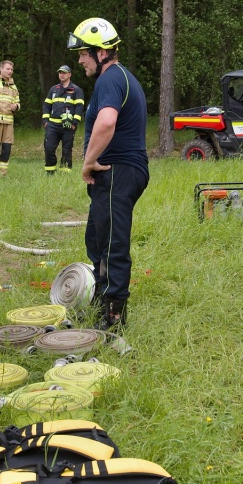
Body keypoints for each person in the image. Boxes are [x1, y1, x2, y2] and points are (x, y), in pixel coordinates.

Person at [69, 17, 149, 332]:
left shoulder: (110, 79)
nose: (79, 61)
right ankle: (102, 301)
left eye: (82, 54)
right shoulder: (119, 78)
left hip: (118, 170)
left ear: (101, 52)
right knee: (98, 239)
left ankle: (113, 320)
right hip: (118, 173)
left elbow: (106, 123)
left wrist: (88, 162)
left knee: (113, 243)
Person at [42, 65, 85, 174]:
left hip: (68, 126)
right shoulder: (53, 89)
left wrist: (74, 123)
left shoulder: (76, 90)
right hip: (52, 125)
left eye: (64, 72)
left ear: (69, 74)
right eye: (60, 72)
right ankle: (50, 172)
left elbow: (79, 108)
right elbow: (46, 105)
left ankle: (65, 173)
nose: (62, 74)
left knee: (67, 150)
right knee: (49, 148)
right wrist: (46, 121)